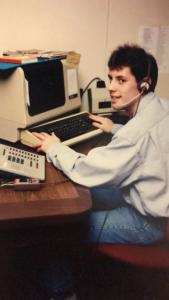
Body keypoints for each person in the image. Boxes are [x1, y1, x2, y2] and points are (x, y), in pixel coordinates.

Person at [32, 44, 169, 298]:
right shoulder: (161, 108)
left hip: (148, 222)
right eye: (110, 78)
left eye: (121, 80)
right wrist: (115, 129)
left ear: (144, 85)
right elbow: (148, 142)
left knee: (60, 228)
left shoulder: (135, 133)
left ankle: (61, 293)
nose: (111, 88)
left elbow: (88, 169)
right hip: (148, 199)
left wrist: (54, 147)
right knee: (84, 195)